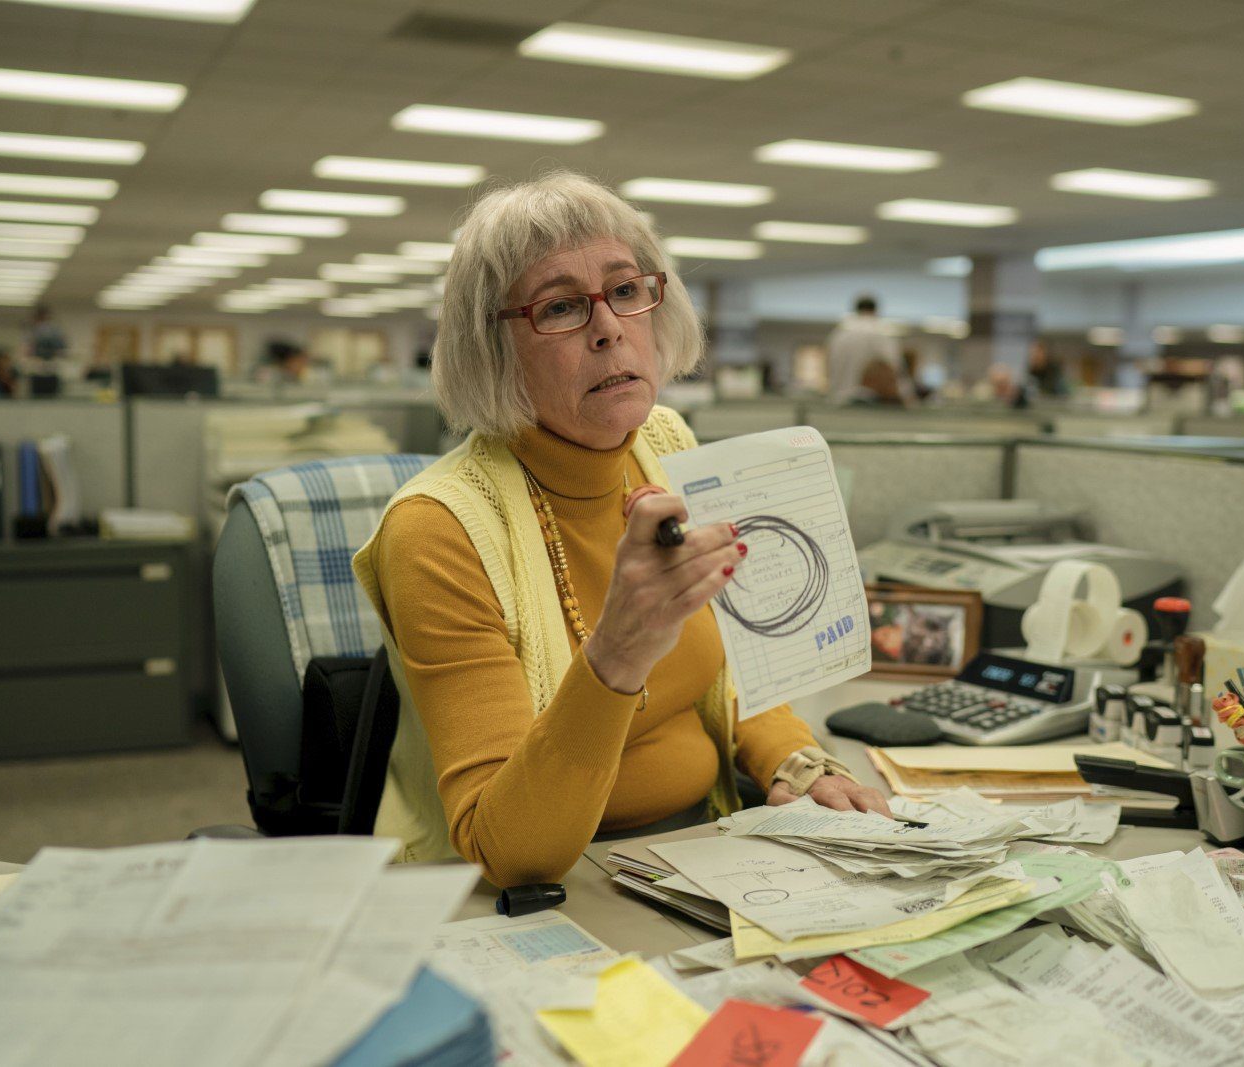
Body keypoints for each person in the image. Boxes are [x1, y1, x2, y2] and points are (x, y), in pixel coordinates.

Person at [351, 172, 889, 884]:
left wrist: (790, 755)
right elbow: (507, 848)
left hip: (700, 849)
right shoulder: (437, 529)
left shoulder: (664, 443)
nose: (609, 327)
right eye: (562, 306)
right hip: (531, 891)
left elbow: (734, 666)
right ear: (494, 347)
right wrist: (618, 651)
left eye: (627, 290)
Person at [825, 295, 899, 404]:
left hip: (838, 401)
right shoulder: (880, 333)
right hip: (868, 406)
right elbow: (893, 368)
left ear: (856, 310)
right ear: (875, 310)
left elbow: (829, 367)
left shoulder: (838, 335)